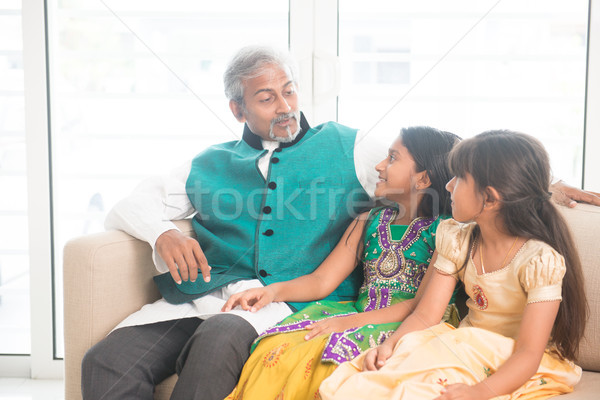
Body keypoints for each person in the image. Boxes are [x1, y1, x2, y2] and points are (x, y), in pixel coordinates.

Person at [80, 44, 597, 400]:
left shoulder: (350, 147)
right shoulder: (207, 161)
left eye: (289, 90)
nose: (284, 106)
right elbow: (132, 203)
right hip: (201, 295)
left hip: (278, 303)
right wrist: (164, 231)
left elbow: (447, 161)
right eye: (266, 98)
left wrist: (539, 189)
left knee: (219, 341)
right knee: (105, 362)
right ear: (237, 108)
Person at [319, 130, 588, 400]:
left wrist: (479, 393)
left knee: (412, 389)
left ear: (490, 198)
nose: (447, 186)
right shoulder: (457, 240)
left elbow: (529, 354)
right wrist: (390, 345)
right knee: (367, 378)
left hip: (513, 361)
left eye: (459, 178)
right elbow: (426, 315)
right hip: (464, 346)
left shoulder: (539, 261)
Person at [221, 126, 462, 400]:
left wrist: (350, 323)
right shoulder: (369, 220)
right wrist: (272, 292)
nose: (379, 166)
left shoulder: (446, 232)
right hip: (356, 312)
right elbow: (322, 281)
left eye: (393, 158)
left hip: (413, 325)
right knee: (283, 345)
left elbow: (419, 307)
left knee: (336, 355)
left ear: (423, 179)